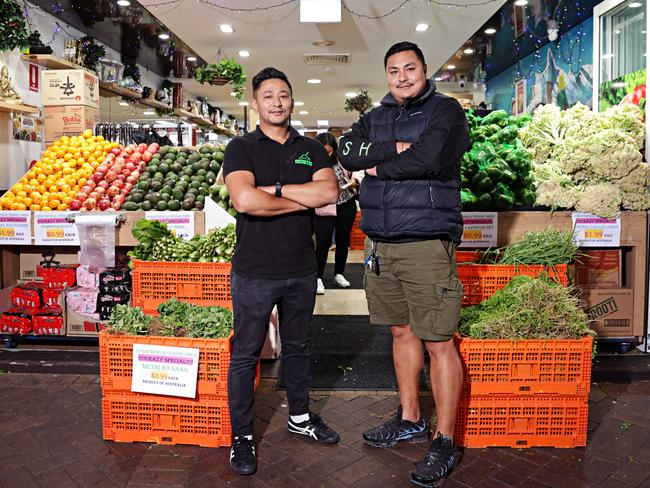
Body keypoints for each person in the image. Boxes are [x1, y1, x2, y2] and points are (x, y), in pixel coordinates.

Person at [338, 41, 469, 488]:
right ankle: (411, 417)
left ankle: (446, 439)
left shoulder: (446, 110)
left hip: (427, 241)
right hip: (382, 243)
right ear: (387, 75)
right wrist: (394, 147)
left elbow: (431, 157)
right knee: (400, 331)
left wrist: (375, 166)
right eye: (394, 70)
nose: (402, 77)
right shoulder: (375, 115)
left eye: (409, 68)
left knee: (438, 341)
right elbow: (348, 152)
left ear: (424, 69)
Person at [223, 67, 341, 476]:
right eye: (268, 95)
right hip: (254, 270)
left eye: (284, 95)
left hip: (300, 269)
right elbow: (243, 201)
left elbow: (329, 193)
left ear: (293, 101)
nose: (277, 102)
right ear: (255, 103)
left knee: (298, 346)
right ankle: (241, 436)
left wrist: (271, 191)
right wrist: (299, 198)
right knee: (245, 354)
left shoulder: (311, 147)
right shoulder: (240, 147)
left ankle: (301, 417)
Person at [313, 132, 358, 294]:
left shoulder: (342, 161)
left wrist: (355, 181)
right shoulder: (312, 163)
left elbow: (356, 173)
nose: (327, 154)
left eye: (329, 151)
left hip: (346, 204)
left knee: (342, 241)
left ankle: (339, 274)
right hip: (324, 207)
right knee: (323, 243)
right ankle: (318, 277)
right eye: (323, 150)